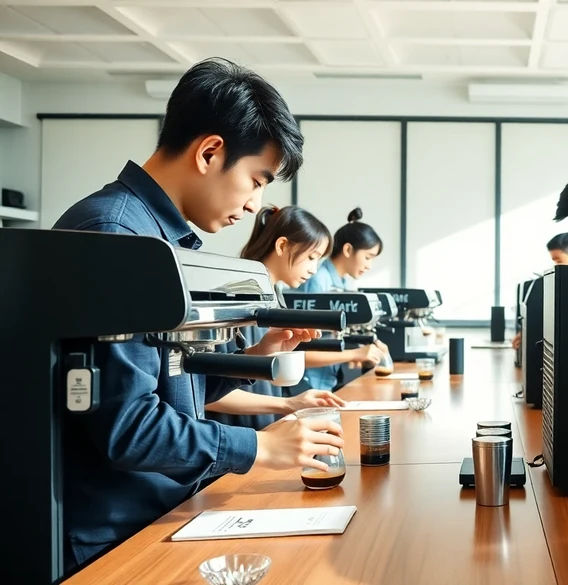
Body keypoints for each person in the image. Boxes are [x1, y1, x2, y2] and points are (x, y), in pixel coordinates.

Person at [51, 58, 344, 573]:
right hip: (117, 537)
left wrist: (255, 356)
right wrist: (257, 447)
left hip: (166, 511)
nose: (256, 204)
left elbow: (169, 385)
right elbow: (128, 426)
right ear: (210, 151)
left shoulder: (163, 241)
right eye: (257, 180)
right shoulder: (118, 238)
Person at [207, 206, 384, 430]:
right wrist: (288, 404)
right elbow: (210, 393)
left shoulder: (273, 296)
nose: (313, 270)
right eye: (311, 257)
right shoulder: (234, 299)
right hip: (239, 436)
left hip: (263, 431)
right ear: (282, 245)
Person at [293, 207, 387, 389]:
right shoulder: (318, 280)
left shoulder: (346, 283)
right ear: (348, 249)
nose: (369, 266)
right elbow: (302, 349)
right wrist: (355, 354)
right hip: (310, 386)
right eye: (368, 257)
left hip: (330, 380)